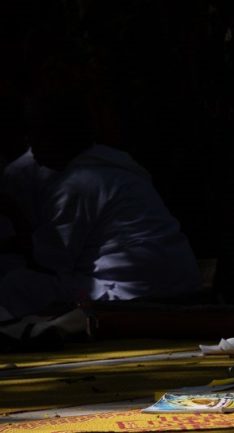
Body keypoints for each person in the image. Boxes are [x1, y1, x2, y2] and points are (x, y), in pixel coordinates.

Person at [0, 83, 202, 322]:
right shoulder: (112, 164)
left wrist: (15, 219)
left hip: (132, 293)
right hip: (175, 282)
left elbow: (51, 261)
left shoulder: (79, 184)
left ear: (58, 137)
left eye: (37, 136)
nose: (32, 147)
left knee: (16, 284)